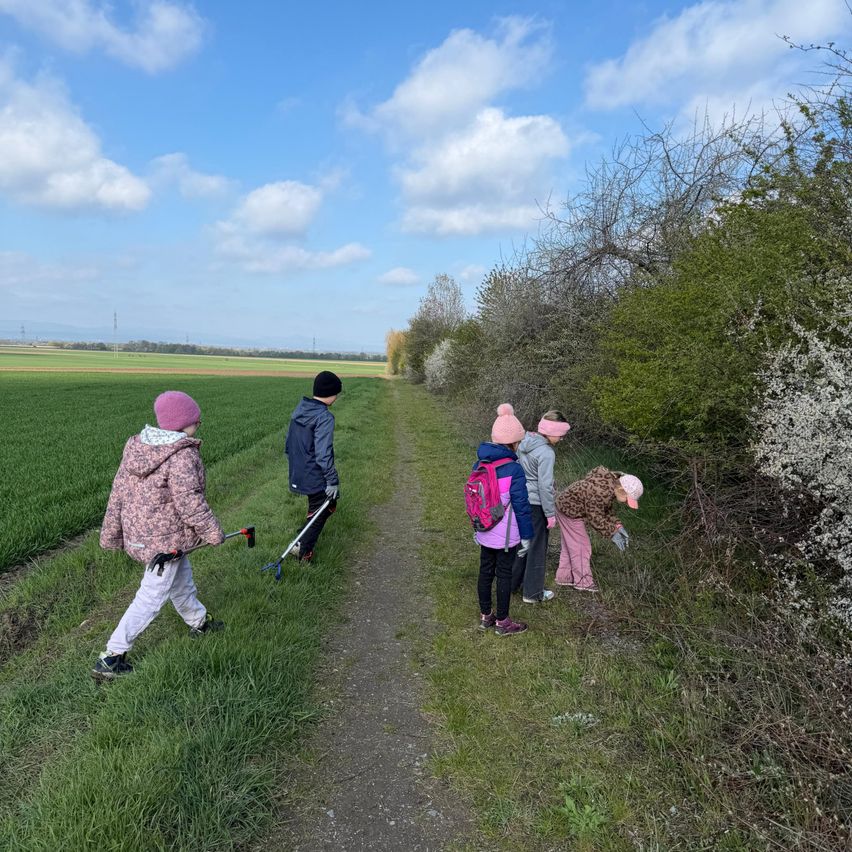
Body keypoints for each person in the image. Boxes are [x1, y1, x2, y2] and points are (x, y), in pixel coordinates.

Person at [93, 391, 225, 681]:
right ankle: (112, 656)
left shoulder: (138, 447)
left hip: (144, 537)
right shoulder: (182, 455)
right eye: (194, 420)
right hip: (165, 542)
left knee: (181, 579)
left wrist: (112, 533)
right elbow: (189, 501)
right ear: (183, 424)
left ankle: (199, 621)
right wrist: (213, 532)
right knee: (151, 596)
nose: (199, 423)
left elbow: (118, 494)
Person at [474, 404, 535, 636]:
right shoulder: (514, 469)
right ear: (514, 443)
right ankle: (502, 622)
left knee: (485, 571)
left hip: (484, 528)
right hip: (506, 535)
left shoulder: (479, 464)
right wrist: (527, 536)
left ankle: (485, 616)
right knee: (504, 574)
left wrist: (476, 527)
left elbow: (476, 499)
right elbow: (521, 506)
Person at [512, 410, 571, 603]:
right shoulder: (546, 452)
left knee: (522, 544)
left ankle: (512, 584)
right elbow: (545, 487)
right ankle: (532, 593)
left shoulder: (524, 442)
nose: (562, 439)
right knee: (537, 548)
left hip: (520, 500)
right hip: (536, 506)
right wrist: (550, 513)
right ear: (552, 432)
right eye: (561, 435)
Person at [554, 466, 643, 591]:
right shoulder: (600, 491)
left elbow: (607, 510)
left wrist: (618, 526)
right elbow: (595, 518)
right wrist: (612, 534)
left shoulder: (609, 485)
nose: (625, 503)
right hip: (570, 512)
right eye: (627, 499)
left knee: (571, 545)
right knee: (582, 547)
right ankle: (583, 582)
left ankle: (564, 576)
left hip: (565, 507)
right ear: (622, 490)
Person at [284, 370, 342, 562]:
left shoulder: (301, 409)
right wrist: (332, 480)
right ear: (331, 394)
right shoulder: (324, 417)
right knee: (326, 505)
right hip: (314, 473)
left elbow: (288, 444)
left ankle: (301, 541)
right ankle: (303, 551)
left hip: (298, 471)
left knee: (319, 506)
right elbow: (323, 454)